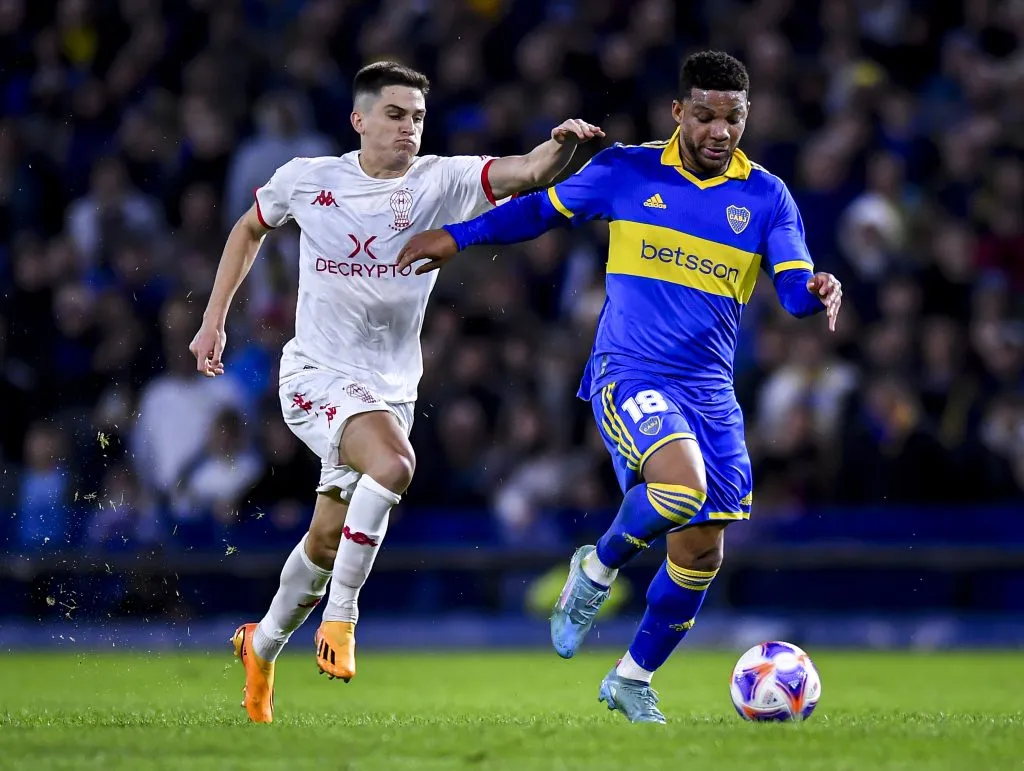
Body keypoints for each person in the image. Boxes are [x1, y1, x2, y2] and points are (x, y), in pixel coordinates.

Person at [396, 50, 843, 724]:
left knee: (701, 552)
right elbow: (538, 213)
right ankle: (595, 570)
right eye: (705, 116)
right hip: (630, 371)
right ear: (678, 112)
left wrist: (816, 289)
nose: (719, 131)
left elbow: (791, 287)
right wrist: (457, 238)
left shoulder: (767, 196)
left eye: (733, 118)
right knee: (680, 489)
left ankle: (632, 678)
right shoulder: (627, 171)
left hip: (711, 394)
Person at [189, 61, 603, 723]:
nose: (408, 127)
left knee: (326, 542)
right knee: (395, 464)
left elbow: (527, 171)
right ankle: (343, 618)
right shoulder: (308, 178)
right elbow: (248, 229)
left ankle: (260, 646)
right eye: (394, 114)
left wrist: (563, 145)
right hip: (315, 376)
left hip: (389, 390)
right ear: (358, 119)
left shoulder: (439, 180)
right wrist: (213, 321)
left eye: (417, 117)